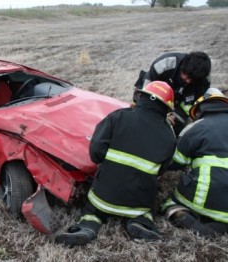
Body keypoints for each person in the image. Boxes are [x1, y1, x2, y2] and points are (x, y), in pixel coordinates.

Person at [55, 81, 177, 247]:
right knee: (144, 211)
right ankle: (139, 222)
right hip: (139, 201)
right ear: (167, 108)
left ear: (141, 97)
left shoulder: (118, 116)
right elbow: (161, 171)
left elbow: (96, 152)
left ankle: (87, 226)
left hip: (104, 196)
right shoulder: (169, 136)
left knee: (93, 210)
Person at [162, 87, 228, 238]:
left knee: (169, 203)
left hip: (204, 196)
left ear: (199, 110)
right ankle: (221, 226)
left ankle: (189, 221)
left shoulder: (195, 128)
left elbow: (176, 162)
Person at [134, 51, 211, 136]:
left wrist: (173, 116)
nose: (188, 81)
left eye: (193, 79)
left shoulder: (204, 80)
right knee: (144, 118)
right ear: (183, 66)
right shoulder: (165, 64)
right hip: (156, 91)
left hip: (181, 98)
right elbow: (145, 92)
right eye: (187, 76)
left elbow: (192, 104)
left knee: (177, 126)